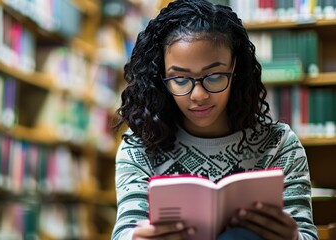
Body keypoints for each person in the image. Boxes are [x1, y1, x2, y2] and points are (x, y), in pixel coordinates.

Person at [111, 0, 318, 239]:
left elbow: (306, 234)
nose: (199, 95)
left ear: (235, 70)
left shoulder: (280, 144)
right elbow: (125, 232)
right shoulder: (139, 147)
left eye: (215, 76)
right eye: (179, 79)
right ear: (160, 78)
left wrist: (293, 237)